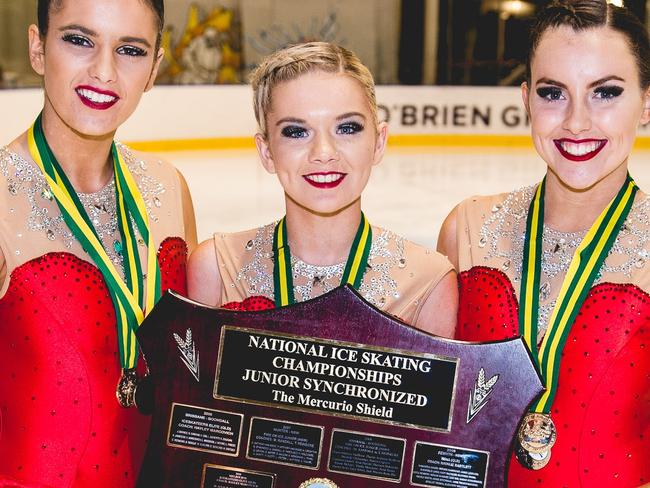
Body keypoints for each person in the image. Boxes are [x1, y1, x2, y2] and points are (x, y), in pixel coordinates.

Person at [438, 0, 650, 485]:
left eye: (607, 93)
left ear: (647, 102)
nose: (576, 122)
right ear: (526, 99)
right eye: (554, 93)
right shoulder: (467, 228)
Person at [0, 0, 197, 486]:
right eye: (78, 40)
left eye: (130, 49)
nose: (104, 71)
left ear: (154, 68)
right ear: (37, 48)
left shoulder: (169, 186)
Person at [188, 42, 457, 336]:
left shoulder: (430, 283)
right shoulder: (216, 268)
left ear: (379, 142)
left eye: (347, 128)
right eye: (296, 132)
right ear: (266, 152)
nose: (324, 152)